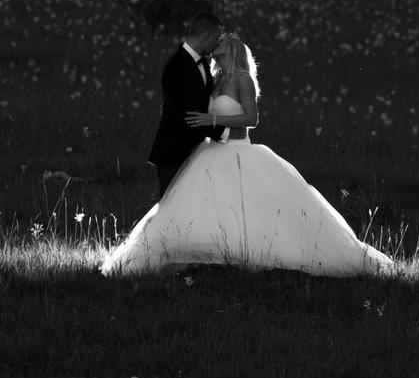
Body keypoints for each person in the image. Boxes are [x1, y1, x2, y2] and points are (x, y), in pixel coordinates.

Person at [102, 34, 393, 277]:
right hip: (211, 152)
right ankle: (207, 253)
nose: (216, 46)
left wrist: (213, 120)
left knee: (248, 204)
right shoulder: (214, 79)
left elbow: (252, 119)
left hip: (239, 151)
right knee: (204, 203)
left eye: (222, 43)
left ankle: (250, 252)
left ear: (233, 50)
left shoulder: (243, 80)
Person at [147, 12, 246, 198]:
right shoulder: (176, 66)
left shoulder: (204, 64)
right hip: (175, 152)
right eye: (217, 38)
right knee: (172, 205)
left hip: (198, 150)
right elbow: (189, 116)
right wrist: (226, 133)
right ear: (207, 36)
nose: (218, 43)